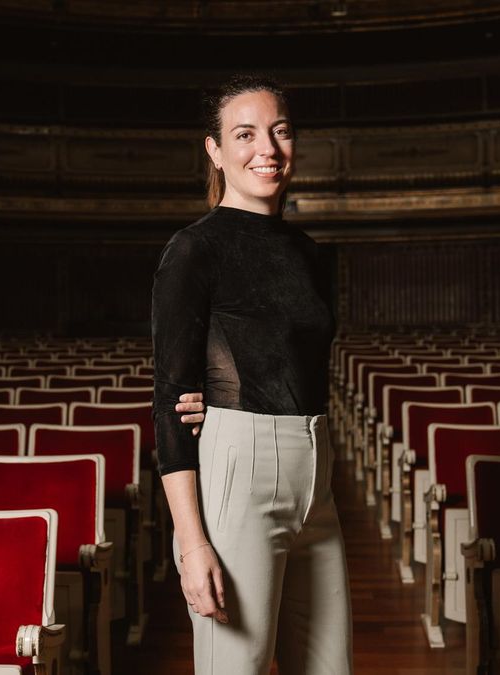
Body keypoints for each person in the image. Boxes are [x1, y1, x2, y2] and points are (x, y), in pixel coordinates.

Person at [151, 74, 353, 675]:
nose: (267, 148)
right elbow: (169, 402)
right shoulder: (194, 249)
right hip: (240, 470)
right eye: (245, 134)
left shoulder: (311, 253)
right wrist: (192, 546)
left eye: (279, 131)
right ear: (215, 151)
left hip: (317, 476)